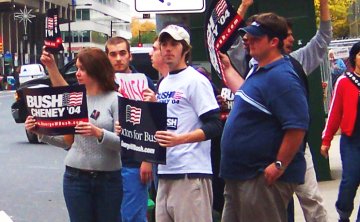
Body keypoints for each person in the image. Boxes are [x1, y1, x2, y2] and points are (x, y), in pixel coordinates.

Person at [220, 13, 309, 222]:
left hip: (259, 178)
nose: (249, 41)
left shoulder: (282, 76)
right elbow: (247, 96)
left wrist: (279, 164)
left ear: (273, 42)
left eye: (256, 38)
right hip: (239, 175)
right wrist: (227, 68)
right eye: (248, 36)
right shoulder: (257, 70)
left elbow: (297, 126)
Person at [26, 47, 122, 222]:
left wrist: (99, 133)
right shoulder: (74, 98)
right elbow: (67, 142)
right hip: (75, 178)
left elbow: (123, 144)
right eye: (77, 68)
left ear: (97, 70)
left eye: (83, 69)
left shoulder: (115, 99)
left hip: (108, 179)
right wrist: (40, 132)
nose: (77, 73)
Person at [144, 24, 222, 222]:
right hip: (165, 171)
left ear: (185, 49)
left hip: (191, 172)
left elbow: (214, 125)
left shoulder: (196, 80)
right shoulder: (163, 83)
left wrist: (180, 139)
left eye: (174, 44)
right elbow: (165, 122)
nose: (168, 49)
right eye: (164, 44)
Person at [105, 36, 155, 222]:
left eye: (122, 53)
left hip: (134, 161)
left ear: (130, 56)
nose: (118, 58)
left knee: (133, 215)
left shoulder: (144, 82)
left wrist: (148, 159)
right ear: (107, 57)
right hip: (107, 163)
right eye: (113, 54)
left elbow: (152, 121)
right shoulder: (103, 85)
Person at [321, 41, 360, 222]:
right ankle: (343, 215)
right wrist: (326, 140)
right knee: (350, 181)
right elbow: (335, 112)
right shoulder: (344, 82)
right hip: (352, 141)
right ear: (354, 57)